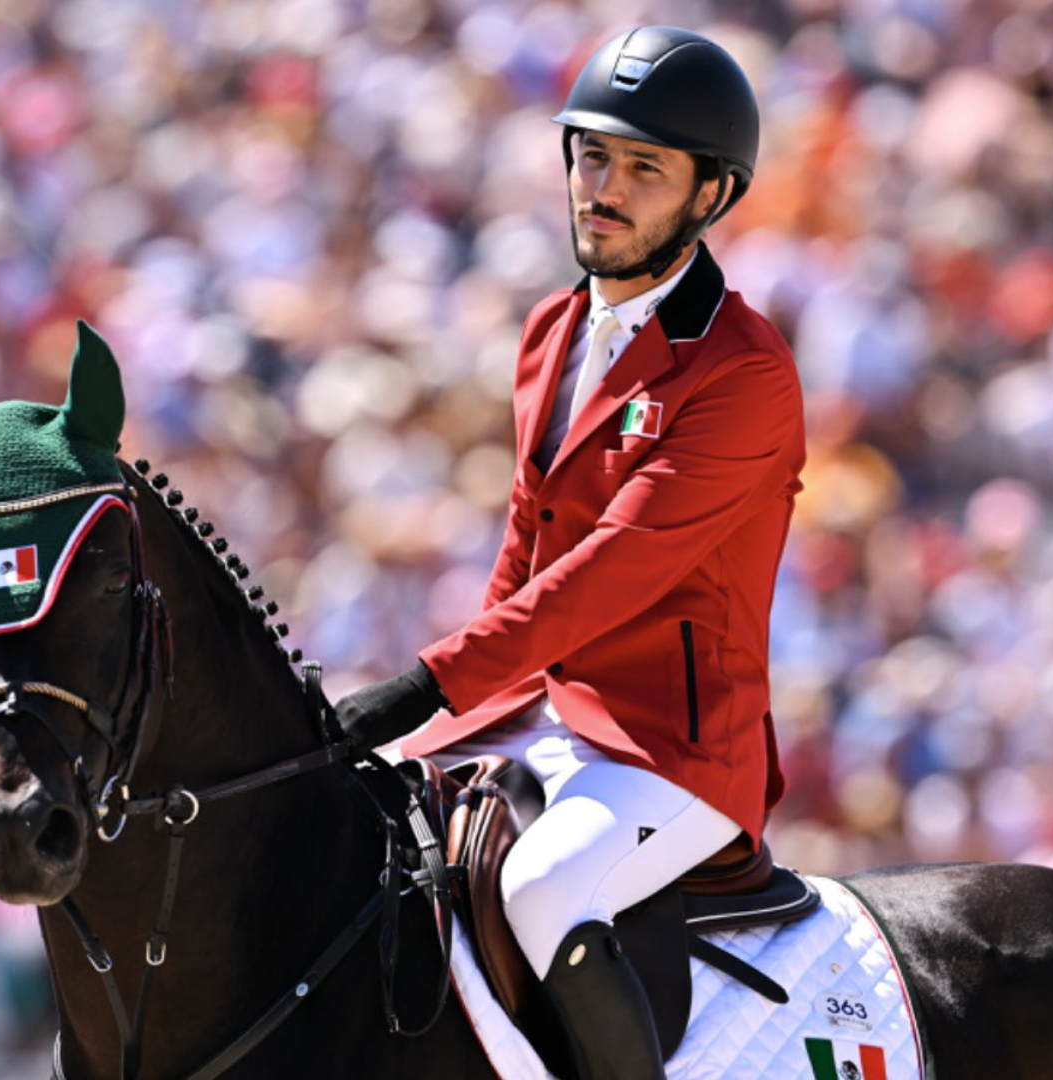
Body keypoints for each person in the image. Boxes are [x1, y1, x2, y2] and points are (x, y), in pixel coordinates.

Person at [334, 26, 804, 1080]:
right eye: (593, 156)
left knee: (542, 886)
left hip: (672, 748)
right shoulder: (552, 329)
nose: (605, 186)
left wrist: (420, 685)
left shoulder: (744, 374)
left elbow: (607, 572)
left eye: (645, 168)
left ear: (709, 196)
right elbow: (527, 551)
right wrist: (440, 722)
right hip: (540, 710)